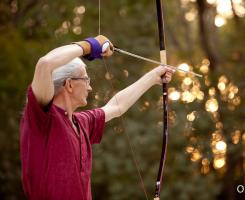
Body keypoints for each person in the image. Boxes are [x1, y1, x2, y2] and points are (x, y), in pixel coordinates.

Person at [20, 35, 174, 200]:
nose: (90, 87)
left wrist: (153, 77)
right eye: (86, 80)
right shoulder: (42, 119)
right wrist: (89, 45)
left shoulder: (81, 122)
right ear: (69, 84)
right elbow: (45, 64)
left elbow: (116, 106)